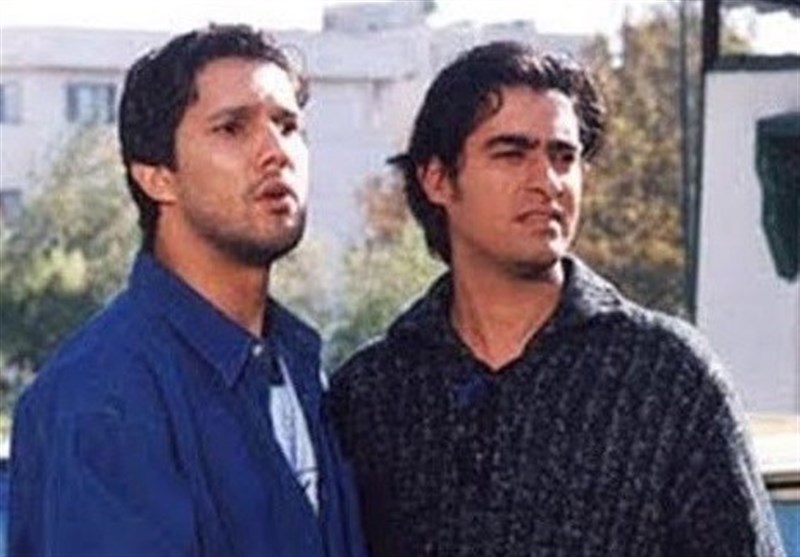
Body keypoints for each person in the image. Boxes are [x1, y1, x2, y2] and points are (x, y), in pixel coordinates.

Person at [328, 41, 786, 557]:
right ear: (437, 179)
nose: (547, 182)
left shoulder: (669, 376)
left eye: (563, 157)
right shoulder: (369, 394)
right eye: (512, 154)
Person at [9, 24, 365, 557]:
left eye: (288, 126)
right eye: (232, 128)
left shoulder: (297, 364)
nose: (277, 151)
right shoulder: (103, 397)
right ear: (157, 177)